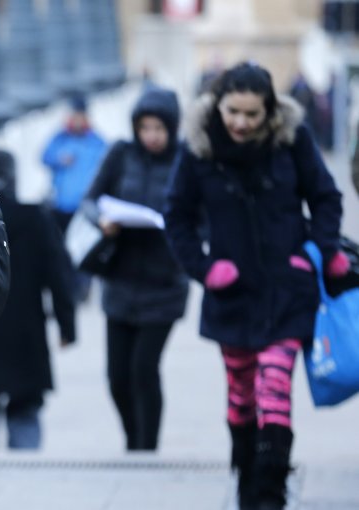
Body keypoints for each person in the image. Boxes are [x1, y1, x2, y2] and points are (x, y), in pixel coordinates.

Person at [165, 62, 347, 510]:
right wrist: (204, 269)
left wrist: (323, 249)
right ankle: (246, 478)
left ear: (270, 111)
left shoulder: (292, 139)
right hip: (231, 295)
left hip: (288, 289)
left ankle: (270, 495)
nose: (242, 123)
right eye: (233, 112)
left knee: (274, 388)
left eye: (252, 114)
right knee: (242, 396)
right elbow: (177, 216)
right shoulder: (198, 149)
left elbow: (325, 196)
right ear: (218, 105)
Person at [80, 86, 190, 452]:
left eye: (159, 128)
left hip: (164, 282)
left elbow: (202, 218)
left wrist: (181, 230)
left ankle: (146, 448)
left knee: (144, 369)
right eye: (145, 128)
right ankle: (133, 437)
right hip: (120, 280)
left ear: (172, 128)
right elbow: (91, 201)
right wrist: (104, 221)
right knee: (116, 377)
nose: (152, 136)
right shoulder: (120, 155)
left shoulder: (186, 161)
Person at [0, 149, 76, 450]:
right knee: (25, 414)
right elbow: (59, 275)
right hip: (25, 334)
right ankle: (26, 484)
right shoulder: (36, 219)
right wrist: (66, 326)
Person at [41, 95, 107, 301]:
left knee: (85, 247)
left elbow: (108, 165)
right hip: (63, 205)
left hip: (85, 205)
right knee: (65, 250)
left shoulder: (96, 141)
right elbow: (44, 156)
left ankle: (83, 286)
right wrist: (60, 159)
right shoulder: (60, 139)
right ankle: (68, 286)